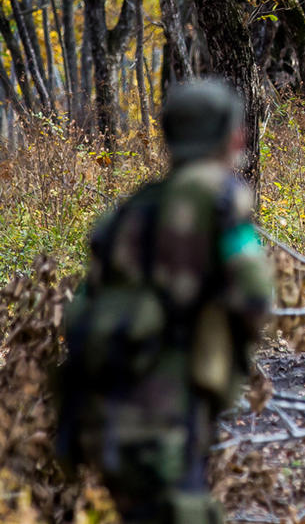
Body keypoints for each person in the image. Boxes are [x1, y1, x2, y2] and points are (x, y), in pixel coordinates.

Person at [57, 78, 274, 523]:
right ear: (229, 135)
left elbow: (86, 302)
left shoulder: (133, 209)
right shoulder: (218, 197)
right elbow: (255, 297)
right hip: (165, 414)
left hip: (101, 410)